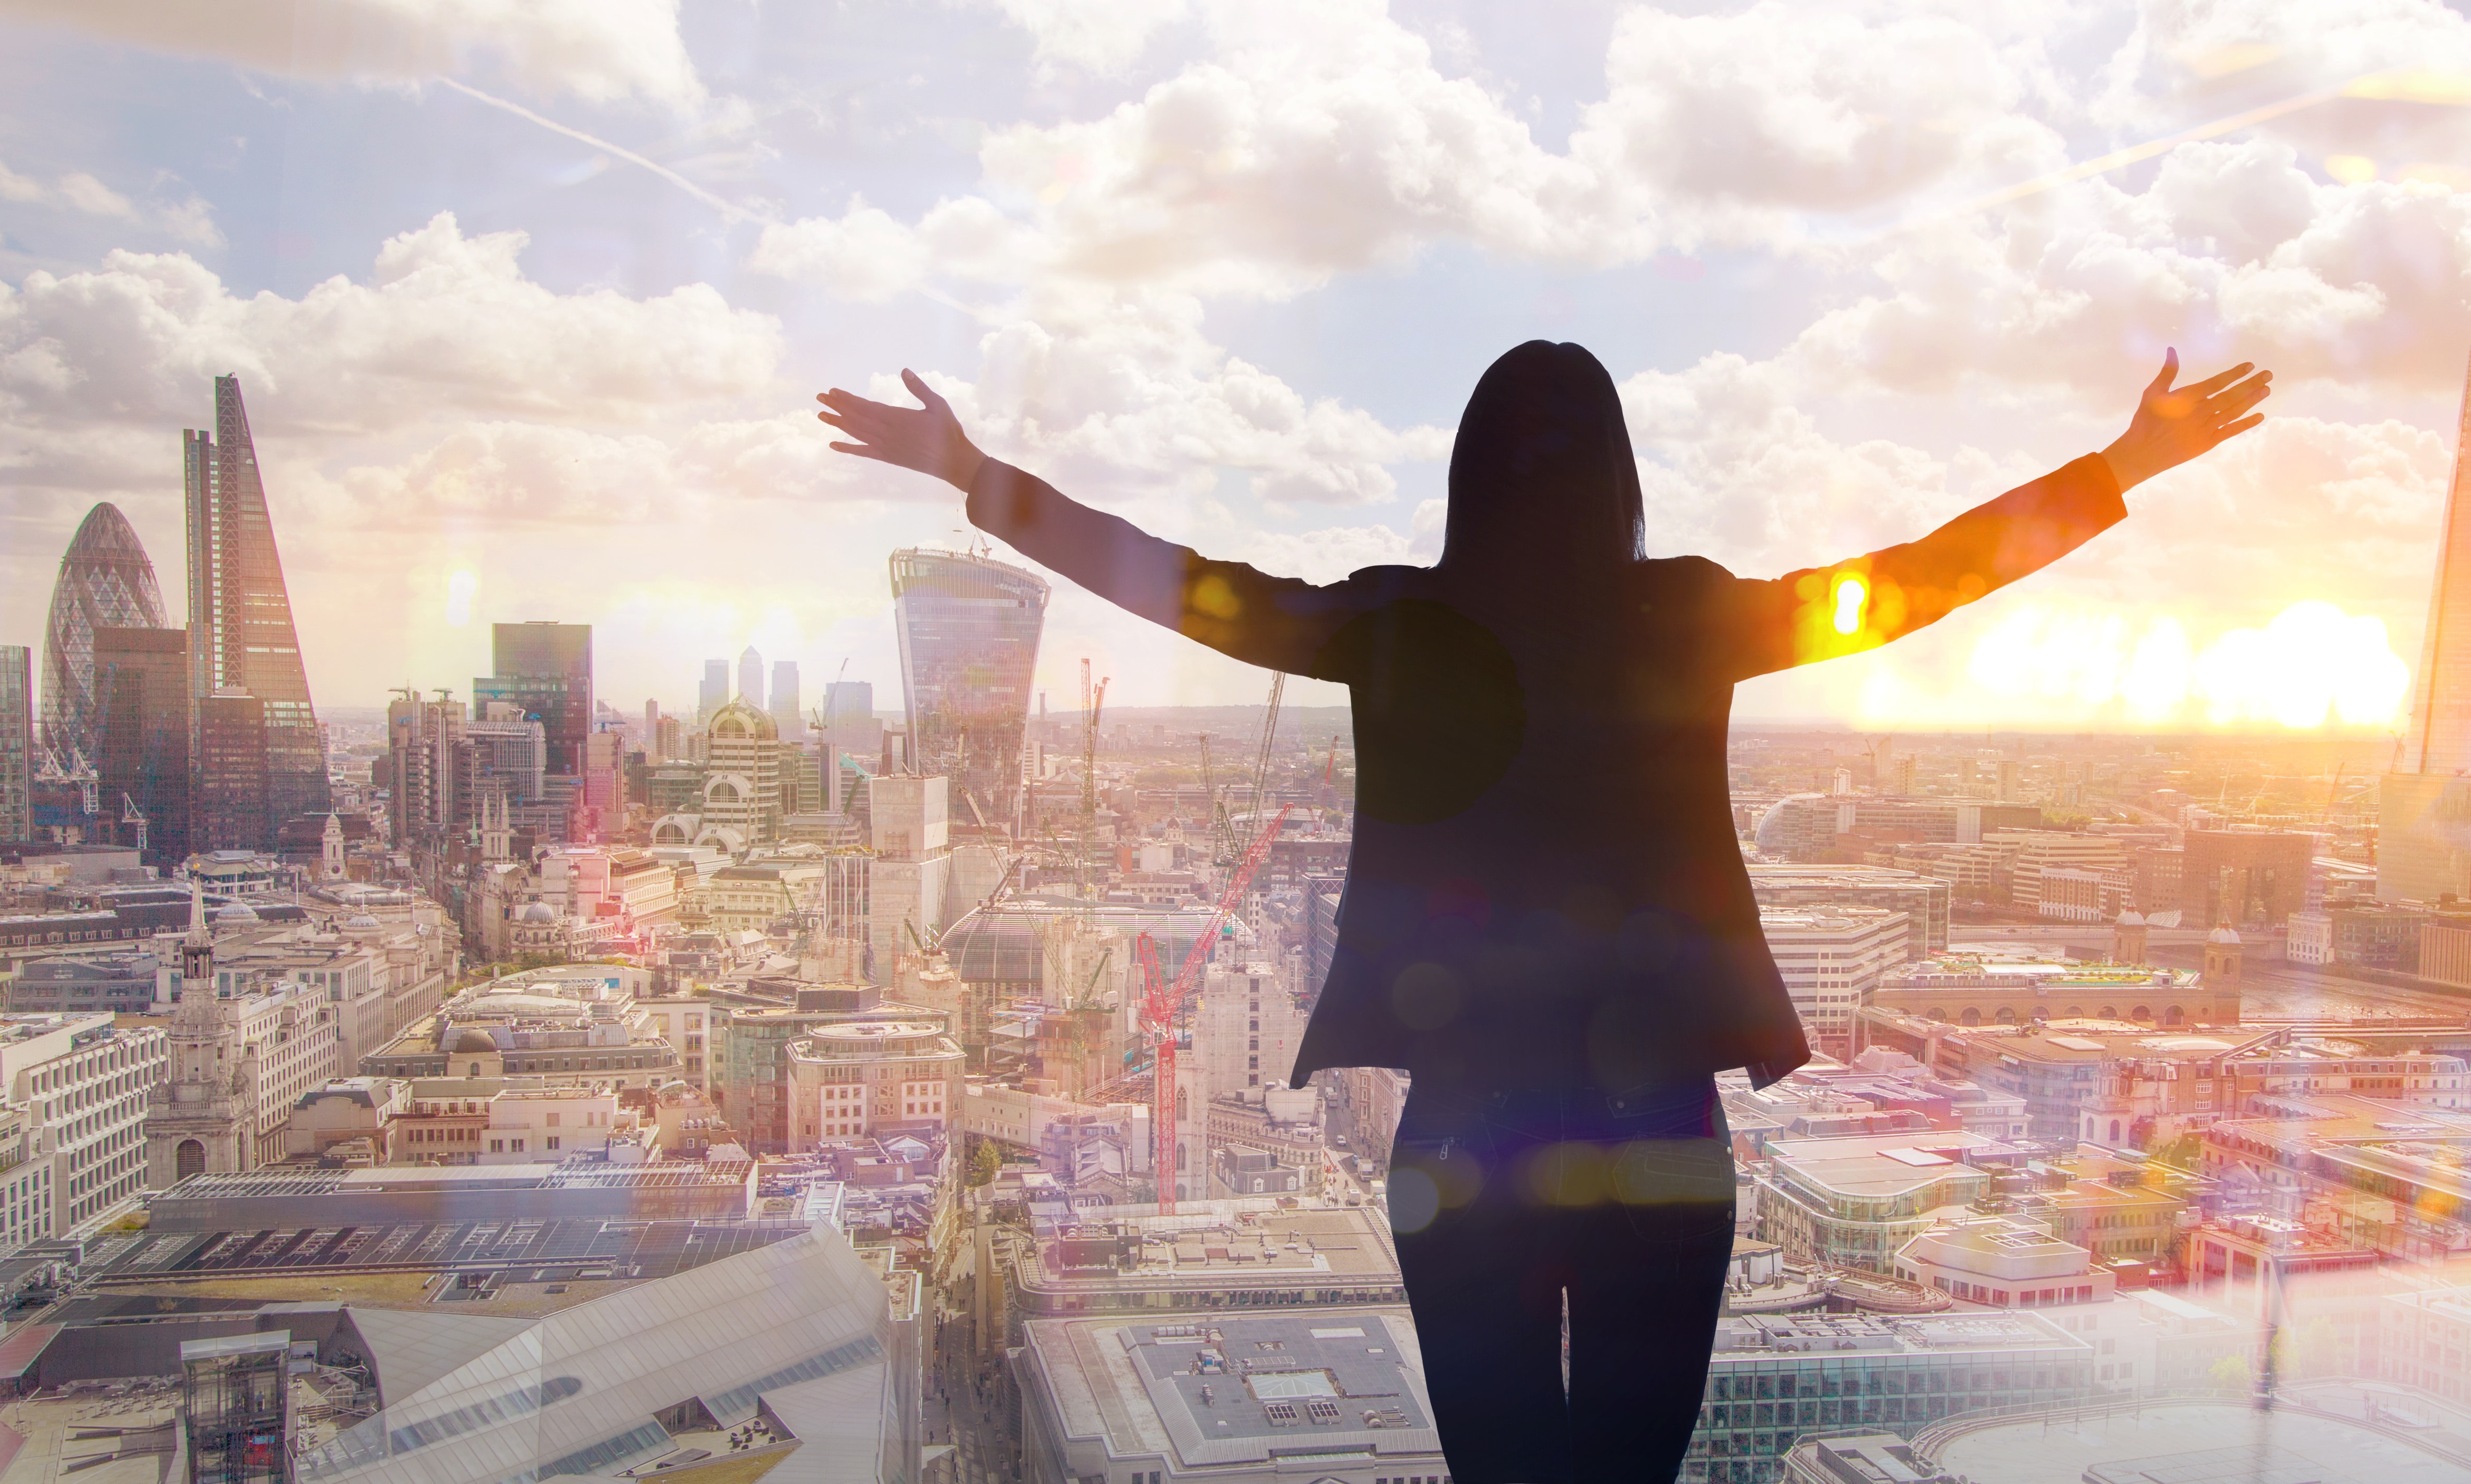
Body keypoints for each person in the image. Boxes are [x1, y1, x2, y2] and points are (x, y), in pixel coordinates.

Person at [819, 341, 2270, 1482]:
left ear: (1470, 475)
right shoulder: (1690, 616)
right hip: (1656, 1125)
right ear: (1620, 480)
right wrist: (2122, 463)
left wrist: (970, 472)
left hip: (1464, 1132)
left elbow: (1181, 590)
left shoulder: (1393, 625)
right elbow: (1912, 585)